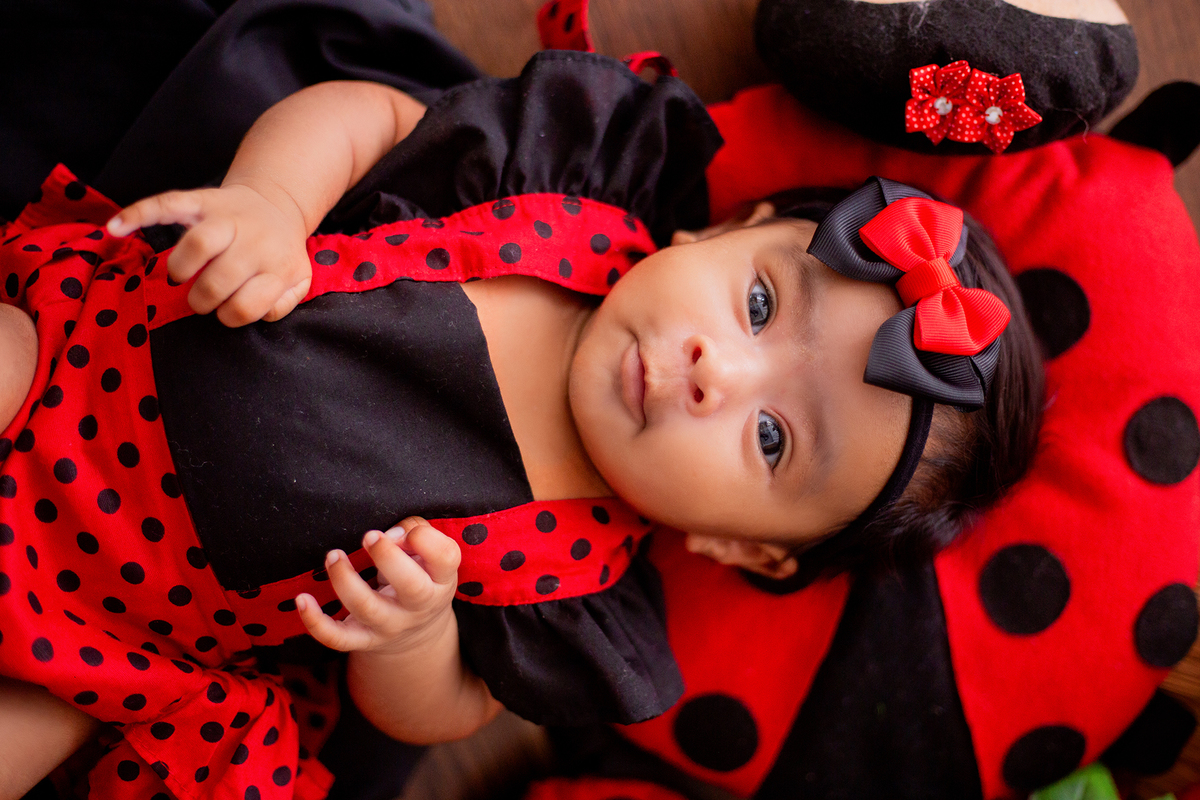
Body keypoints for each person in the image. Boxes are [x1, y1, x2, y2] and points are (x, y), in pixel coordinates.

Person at [0, 51, 1042, 800]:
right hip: (79, 363)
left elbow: (440, 712)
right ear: (721, 230)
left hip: (124, 630)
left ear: (739, 548)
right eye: (760, 304)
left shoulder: (580, 586)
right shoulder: (556, 193)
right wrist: (273, 203)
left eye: (772, 438)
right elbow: (371, 119)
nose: (714, 370)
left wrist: (414, 635)